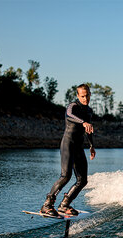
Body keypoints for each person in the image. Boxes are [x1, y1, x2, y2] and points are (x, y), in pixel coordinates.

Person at [40, 83, 96, 216]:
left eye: (87, 95)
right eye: (82, 96)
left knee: (82, 180)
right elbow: (70, 115)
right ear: (78, 95)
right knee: (66, 176)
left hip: (78, 147)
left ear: (90, 94)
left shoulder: (88, 111)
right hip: (68, 144)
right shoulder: (72, 106)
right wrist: (83, 122)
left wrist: (91, 146)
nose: (85, 98)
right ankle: (47, 205)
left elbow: (88, 131)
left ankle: (64, 205)